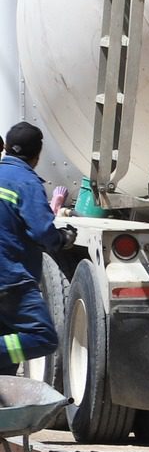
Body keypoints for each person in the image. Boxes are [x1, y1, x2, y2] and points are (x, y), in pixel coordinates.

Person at [0, 124, 70, 375]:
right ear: (37, 155)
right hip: (10, 281)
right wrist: (62, 238)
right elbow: (42, 231)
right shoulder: (26, 182)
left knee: (8, 353)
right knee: (42, 338)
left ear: (6, 147)